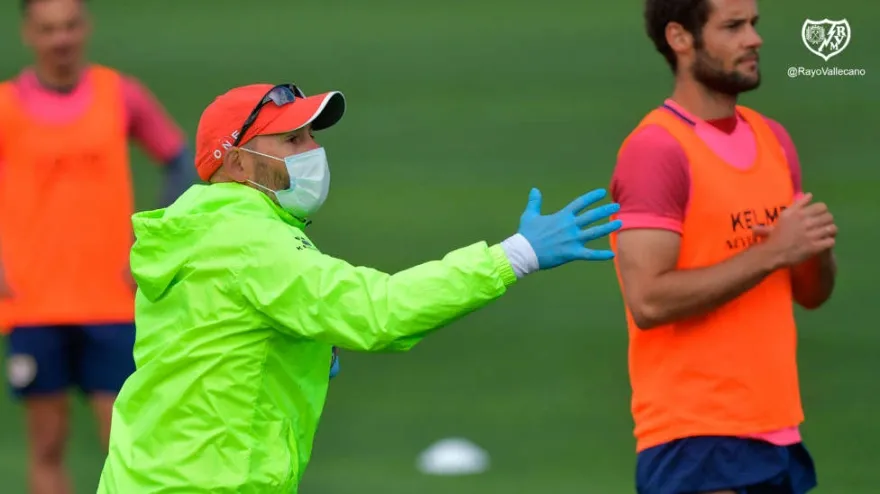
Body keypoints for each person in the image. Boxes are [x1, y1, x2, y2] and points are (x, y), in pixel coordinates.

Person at [96, 82, 623, 493]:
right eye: (292, 139)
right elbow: (381, 312)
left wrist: (304, 347)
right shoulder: (251, 241)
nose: (313, 150)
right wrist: (515, 255)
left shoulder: (199, 228)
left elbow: (218, 339)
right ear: (237, 162)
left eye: (311, 135)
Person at [608, 1, 838, 493]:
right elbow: (648, 300)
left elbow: (812, 294)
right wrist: (772, 253)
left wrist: (814, 247)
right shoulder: (656, 151)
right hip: (694, 439)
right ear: (679, 38)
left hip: (777, 430)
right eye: (733, 26)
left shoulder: (773, 138)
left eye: (753, 24)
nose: (754, 39)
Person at [0, 0, 195, 492]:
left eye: (69, 26)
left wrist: (153, 243)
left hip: (111, 300)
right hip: (32, 302)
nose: (61, 39)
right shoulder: (5, 106)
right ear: (29, 34)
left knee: (124, 441)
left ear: (85, 28)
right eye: (49, 29)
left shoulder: (119, 94)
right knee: (47, 445)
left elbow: (178, 159)